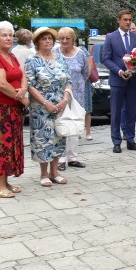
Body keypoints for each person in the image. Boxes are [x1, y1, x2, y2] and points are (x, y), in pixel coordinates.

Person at [0, 21, 30, 198]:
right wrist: (22, 98)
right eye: (4, 35)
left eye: (10, 35)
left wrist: (24, 88)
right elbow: (2, 85)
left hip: (13, 108)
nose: (8, 38)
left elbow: (22, 74)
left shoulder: (11, 56)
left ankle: (6, 181)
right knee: (1, 145)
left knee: (12, 145)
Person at [25, 27, 72, 187]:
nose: (48, 41)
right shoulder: (32, 60)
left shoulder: (60, 59)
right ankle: (44, 174)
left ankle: (55, 172)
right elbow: (30, 85)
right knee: (43, 139)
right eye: (44, 38)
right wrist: (45, 103)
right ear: (37, 42)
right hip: (41, 107)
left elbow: (68, 81)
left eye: (50, 38)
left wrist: (65, 100)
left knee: (59, 137)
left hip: (60, 105)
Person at [102, 10, 136, 153]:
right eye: (125, 19)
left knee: (132, 110)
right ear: (118, 20)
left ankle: (131, 140)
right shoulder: (110, 37)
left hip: (133, 79)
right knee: (116, 112)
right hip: (117, 79)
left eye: (130, 20)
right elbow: (106, 59)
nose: (128, 22)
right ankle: (116, 141)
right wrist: (119, 71)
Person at [54, 27, 89, 171]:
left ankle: (73, 157)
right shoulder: (54, 53)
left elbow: (86, 72)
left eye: (67, 38)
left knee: (75, 125)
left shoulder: (80, 54)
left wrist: (79, 87)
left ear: (73, 39)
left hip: (77, 95)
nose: (64, 41)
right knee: (61, 125)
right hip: (59, 95)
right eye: (61, 38)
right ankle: (60, 158)